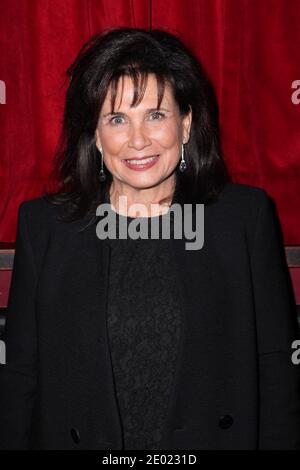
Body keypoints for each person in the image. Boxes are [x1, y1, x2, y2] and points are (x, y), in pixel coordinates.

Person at [0, 26, 299, 450]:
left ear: (186, 123)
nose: (138, 140)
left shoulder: (243, 218)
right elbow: (20, 378)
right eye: (117, 119)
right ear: (96, 136)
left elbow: (275, 369)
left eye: (156, 115)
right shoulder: (44, 227)